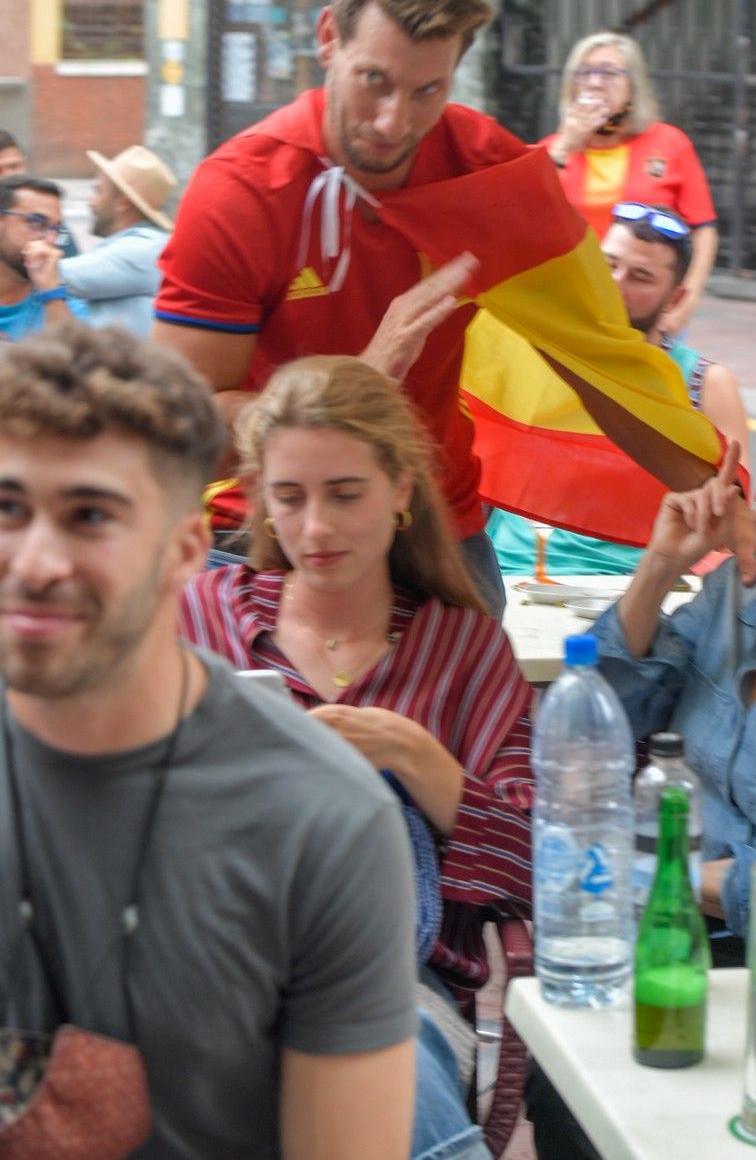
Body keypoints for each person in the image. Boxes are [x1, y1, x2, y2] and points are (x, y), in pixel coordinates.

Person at [152, 0, 753, 618]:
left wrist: (722, 496)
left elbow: (604, 357)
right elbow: (181, 428)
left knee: (480, 724)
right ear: (328, 39)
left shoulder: (487, 172)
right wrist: (352, 394)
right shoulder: (242, 190)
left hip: (433, 527)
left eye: (425, 91)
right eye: (373, 80)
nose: (391, 121)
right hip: (268, 524)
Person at [0, 324, 418, 1158]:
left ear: (186, 549)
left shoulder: (323, 821)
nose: (36, 561)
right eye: (7, 509)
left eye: (90, 516)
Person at [529, 374, 756, 1160]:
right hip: (673, 925)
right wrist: (661, 567)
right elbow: (608, 721)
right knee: (558, 1082)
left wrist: (647, 871)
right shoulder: (745, 587)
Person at [180, 354, 535, 1158]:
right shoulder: (202, 617)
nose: (315, 530)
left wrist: (420, 760)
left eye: (345, 495)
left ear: (402, 492)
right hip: (204, 963)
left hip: (393, 981)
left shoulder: (464, 650)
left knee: (379, 1046)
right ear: (261, 503)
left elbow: (542, 867)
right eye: (289, 498)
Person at [488, 202, 748, 574]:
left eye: (640, 277)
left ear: (675, 299)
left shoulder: (705, 385)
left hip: (629, 588)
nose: (615, 284)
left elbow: (730, 528)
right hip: (513, 574)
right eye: (608, 265)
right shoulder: (533, 350)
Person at [544, 31, 717, 334]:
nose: (595, 83)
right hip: (570, 304)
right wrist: (567, 143)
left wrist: (687, 298)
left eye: (609, 73)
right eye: (585, 73)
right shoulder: (552, 151)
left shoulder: (669, 142)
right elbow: (525, 214)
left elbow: (703, 229)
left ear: (632, 86)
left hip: (644, 307)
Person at [54, 145, 176, 337]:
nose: (90, 201)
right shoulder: (141, 245)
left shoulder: (143, 248)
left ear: (123, 203)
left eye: (98, 191)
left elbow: (52, 275)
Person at [0, 174, 88, 338]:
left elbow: (74, 360)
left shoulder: (65, 306)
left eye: (56, 229)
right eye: (36, 222)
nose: (50, 239)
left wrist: (50, 292)